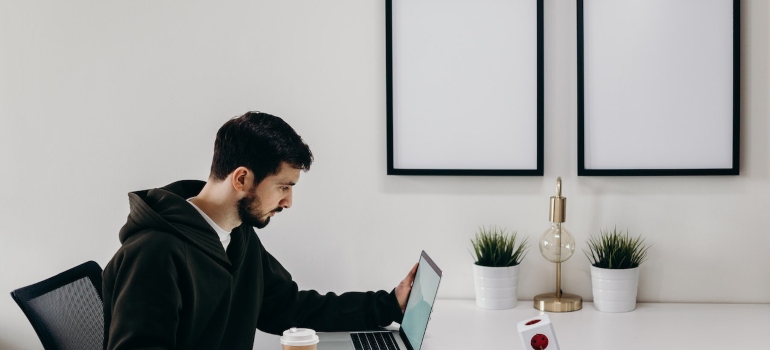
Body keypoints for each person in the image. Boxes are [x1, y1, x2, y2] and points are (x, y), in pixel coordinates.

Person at [102, 111, 417, 350]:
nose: (288, 201)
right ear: (241, 179)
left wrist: (389, 304)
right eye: (283, 186)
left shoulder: (237, 236)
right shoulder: (154, 253)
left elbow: (288, 307)